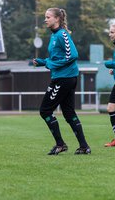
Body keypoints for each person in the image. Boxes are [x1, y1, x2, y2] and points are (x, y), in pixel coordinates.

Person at [33, 8, 91, 155]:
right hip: (64, 77)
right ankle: (84, 146)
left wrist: (51, 64)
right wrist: (43, 62)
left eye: (48, 17)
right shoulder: (54, 36)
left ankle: (60, 144)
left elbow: (73, 55)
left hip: (64, 78)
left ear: (57, 19)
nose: (45, 20)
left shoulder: (62, 34)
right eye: (45, 17)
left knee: (45, 110)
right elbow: (56, 59)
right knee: (68, 112)